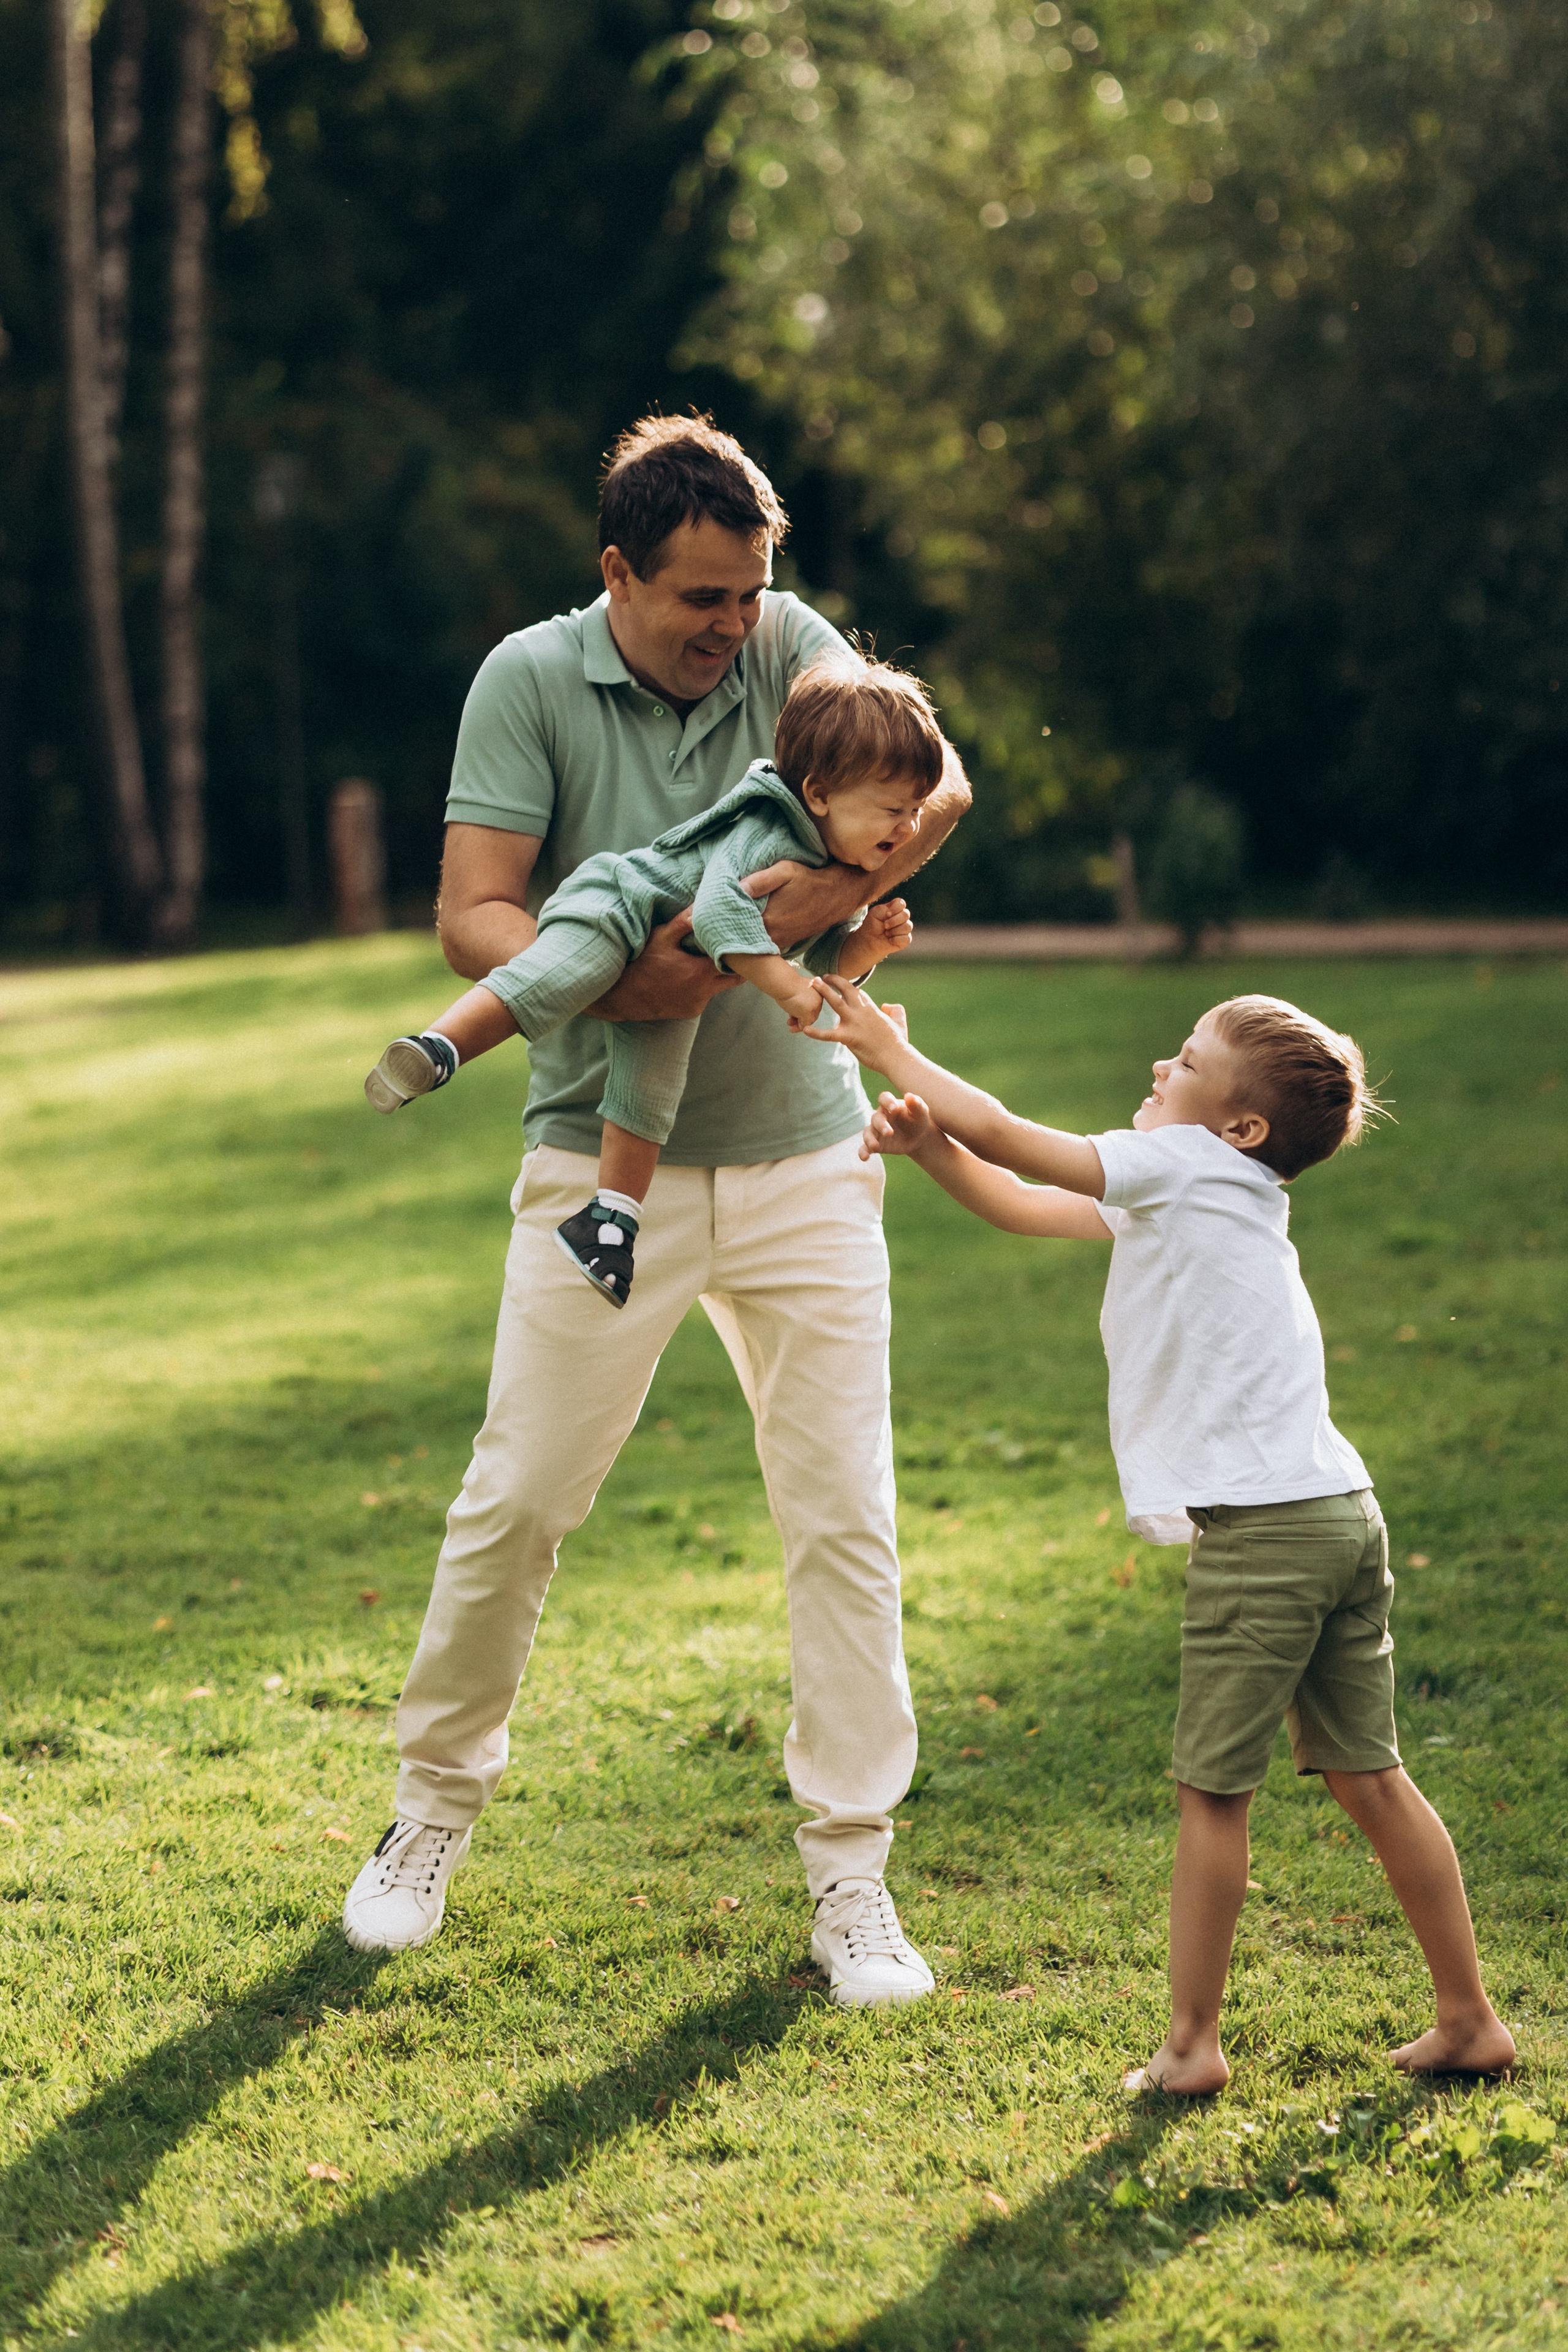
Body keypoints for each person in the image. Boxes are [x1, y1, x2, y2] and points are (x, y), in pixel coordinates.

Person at [342, 413, 972, 2007]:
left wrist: (750, 926)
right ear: (617, 572)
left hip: (804, 1162)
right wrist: (636, 973)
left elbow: (921, 795)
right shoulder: (528, 680)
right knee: (520, 1499)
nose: (734, 629)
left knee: (844, 1518)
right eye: (700, 598)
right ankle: (427, 1819)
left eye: (752, 595)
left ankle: (854, 1876)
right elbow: (473, 908)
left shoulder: (792, 643)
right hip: (596, 1157)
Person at [805, 977, 1515, 2089]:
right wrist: (932, 1149)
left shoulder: (1186, 1169)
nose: (1157, 1069)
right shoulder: (1215, 1188)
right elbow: (1026, 1201)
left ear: (1239, 1127)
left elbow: (1020, 1142)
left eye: (1183, 1063)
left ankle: (1190, 2047)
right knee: (1373, 1777)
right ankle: (1470, 2017)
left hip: (1266, 1531)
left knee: (1212, 1796)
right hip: (1339, 1512)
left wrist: (891, 1054)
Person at [361, 661, 943, 1310]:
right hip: (624, 906)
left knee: (650, 1093)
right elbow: (722, 913)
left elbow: (827, 953)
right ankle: (440, 1049)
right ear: (818, 793)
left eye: (918, 810)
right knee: (555, 974)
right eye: (895, 810)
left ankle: (608, 1224)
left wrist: (864, 946)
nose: (910, 829)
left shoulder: (844, 862)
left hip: (679, 979)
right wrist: (790, 990)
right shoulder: (769, 832)